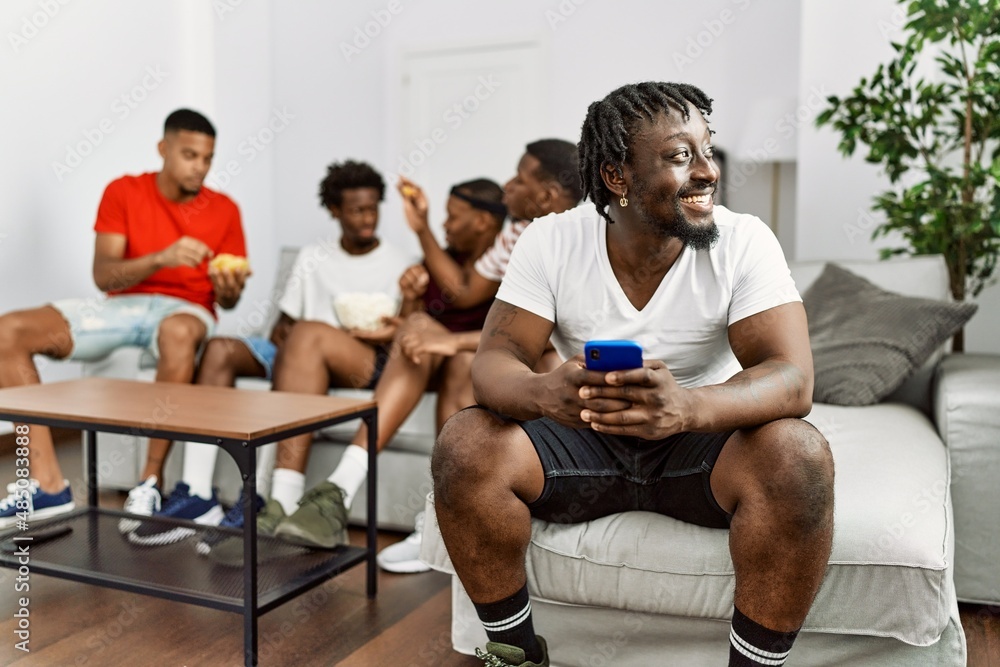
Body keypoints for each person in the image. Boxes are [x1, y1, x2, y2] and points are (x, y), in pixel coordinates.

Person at [431, 82, 835, 667]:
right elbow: (493, 363)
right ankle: (516, 656)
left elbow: (793, 379)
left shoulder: (744, 241)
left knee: (798, 455)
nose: (707, 171)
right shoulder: (551, 239)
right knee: (465, 443)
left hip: (699, 448)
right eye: (679, 156)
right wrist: (544, 393)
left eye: (707, 149)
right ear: (617, 178)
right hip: (584, 442)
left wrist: (688, 408)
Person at [127, 159, 413, 546]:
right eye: (356, 210)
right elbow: (283, 324)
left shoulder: (399, 264)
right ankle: (197, 493)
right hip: (298, 353)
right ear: (334, 210)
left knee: (308, 336)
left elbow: (402, 335)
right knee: (218, 350)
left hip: (357, 356)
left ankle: (268, 496)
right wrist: (284, 331)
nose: (367, 218)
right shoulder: (313, 256)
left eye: (372, 208)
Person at [0, 109, 249, 530]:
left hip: (186, 311)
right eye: (190, 155)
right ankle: (47, 487)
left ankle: (149, 483)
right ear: (163, 149)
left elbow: (229, 300)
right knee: (8, 331)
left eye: (207, 158)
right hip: (123, 306)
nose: (200, 167)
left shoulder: (224, 209)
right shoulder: (124, 191)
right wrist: (161, 258)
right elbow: (104, 274)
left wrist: (228, 286)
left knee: (176, 331)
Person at [249, 177, 508, 557]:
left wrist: (432, 332)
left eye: (452, 217)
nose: (445, 226)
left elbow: (472, 306)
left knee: (433, 338)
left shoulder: (509, 262)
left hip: (460, 365)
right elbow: (410, 326)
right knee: (306, 334)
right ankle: (282, 500)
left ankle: (340, 488)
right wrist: (407, 303)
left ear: (484, 221)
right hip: (412, 360)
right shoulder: (434, 263)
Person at [373, 140, 584, 572]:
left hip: (561, 364)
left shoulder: (582, 236)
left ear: (545, 195)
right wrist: (422, 229)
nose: (507, 186)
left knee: (519, 366)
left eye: (519, 178)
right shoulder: (517, 231)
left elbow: (544, 338)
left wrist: (452, 340)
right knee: (462, 367)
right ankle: (441, 523)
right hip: (523, 356)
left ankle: (505, 520)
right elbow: (467, 290)